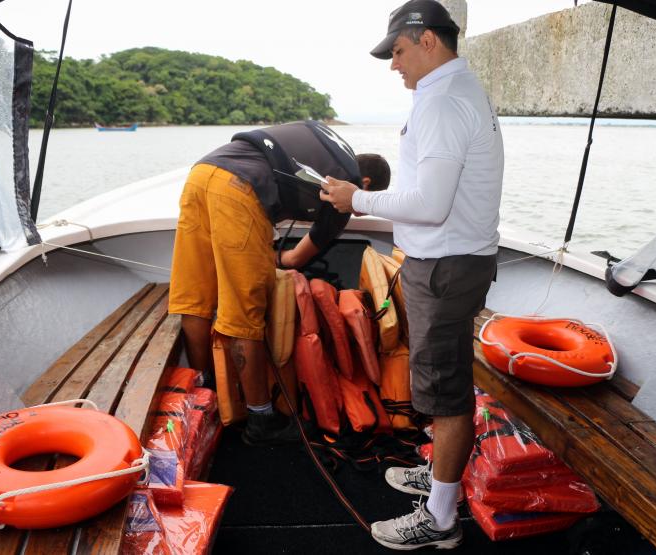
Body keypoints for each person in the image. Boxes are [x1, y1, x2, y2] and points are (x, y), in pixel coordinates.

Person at [320, 0, 503, 550]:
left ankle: (441, 519)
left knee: (445, 394)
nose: (393, 64)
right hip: (455, 262)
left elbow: (430, 202)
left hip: (445, 267)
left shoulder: (443, 102)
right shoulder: (455, 91)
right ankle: (441, 477)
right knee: (441, 383)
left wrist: (358, 198)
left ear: (428, 40)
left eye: (398, 52)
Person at [168, 120, 390, 447]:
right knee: (245, 315)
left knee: (195, 297)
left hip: (203, 173)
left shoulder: (330, 150)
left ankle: (201, 399)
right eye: (368, 201)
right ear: (365, 183)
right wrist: (268, 257)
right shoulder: (345, 189)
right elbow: (297, 258)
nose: (359, 213)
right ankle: (262, 421)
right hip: (239, 189)